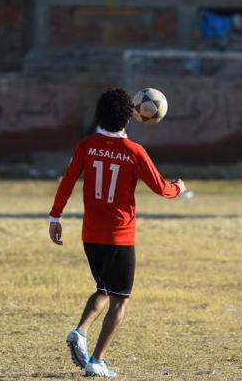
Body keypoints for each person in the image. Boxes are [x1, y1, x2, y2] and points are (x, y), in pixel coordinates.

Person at [48, 88, 186, 378]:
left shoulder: (86, 145)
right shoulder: (134, 152)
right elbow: (162, 188)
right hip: (119, 236)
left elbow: (68, 181)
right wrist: (179, 188)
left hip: (91, 235)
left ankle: (80, 331)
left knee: (104, 289)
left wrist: (55, 217)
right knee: (120, 299)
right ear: (131, 116)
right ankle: (97, 360)